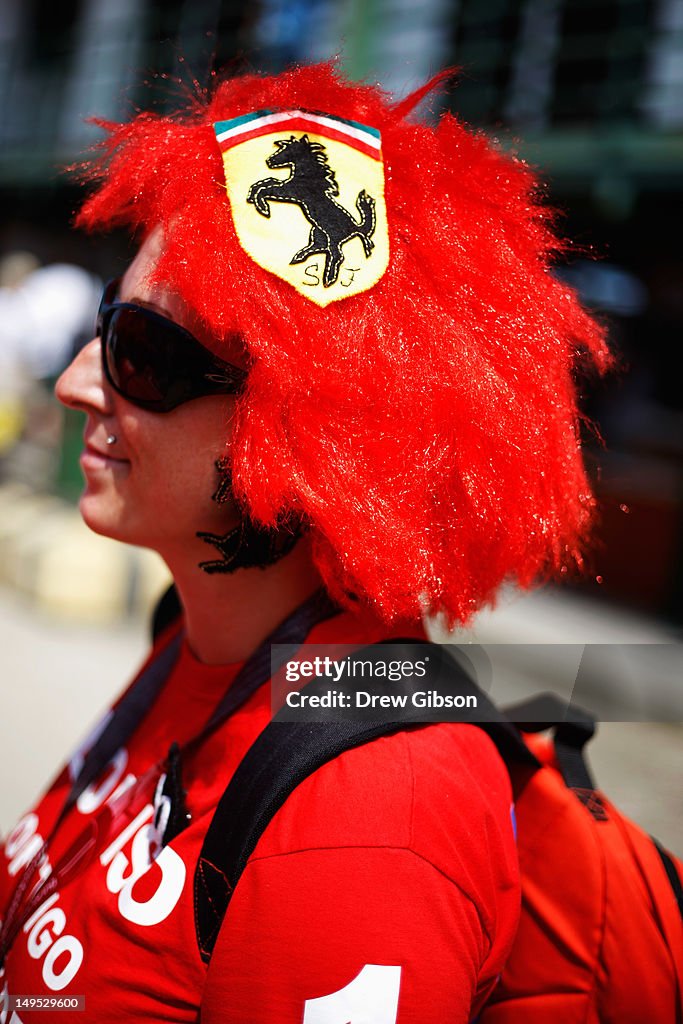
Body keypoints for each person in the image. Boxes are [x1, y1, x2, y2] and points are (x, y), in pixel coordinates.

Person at [0, 63, 608, 1022]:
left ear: (313, 433)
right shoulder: (200, 638)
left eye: (143, 356)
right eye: (107, 319)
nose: (78, 381)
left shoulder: (369, 820)